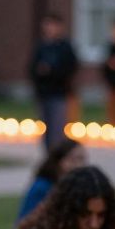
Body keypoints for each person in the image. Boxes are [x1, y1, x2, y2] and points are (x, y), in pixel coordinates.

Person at [30, 13, 78, 151]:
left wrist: (52, 71)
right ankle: (47, 155)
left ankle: (58, 155)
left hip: (59, 93)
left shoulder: (65, 47)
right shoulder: (41, 46)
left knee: (57, 128)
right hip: (43, 92)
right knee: (45, 127)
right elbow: (32, 67)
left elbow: (70, 68)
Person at [17, 138, 88, 222]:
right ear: (59, 161)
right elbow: (26, 222)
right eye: (73, 159)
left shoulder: (79, 185)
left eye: (82, 159)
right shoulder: (43, 187)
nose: (79, 165)